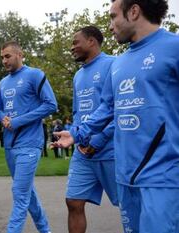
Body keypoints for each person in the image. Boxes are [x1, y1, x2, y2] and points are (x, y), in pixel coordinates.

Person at [52, 1, 179, 232]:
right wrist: (76, 134)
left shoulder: (174, 47)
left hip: (164, 177)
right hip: (125, 175)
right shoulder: (120, 63)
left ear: (134, 11)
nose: (110, 26)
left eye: (113, 17)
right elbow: (107, 108)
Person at [0, 41, 56, 233]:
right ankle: (45, 230)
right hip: (9, 145)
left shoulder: (35, 75)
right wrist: (3, 117)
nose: (4, 61)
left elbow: (50, 105)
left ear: (20, 54)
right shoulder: (3, 82)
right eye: (2, 57)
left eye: (7, 56)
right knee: (28, 193)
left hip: (30, 144)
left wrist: (18, 121)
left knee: (20, 193)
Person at [66, 26, 118, 233]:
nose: (72, 47)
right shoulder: (78, 76)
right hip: (82, 152)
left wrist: (98, 141)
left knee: (129, 204)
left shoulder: (113, 65)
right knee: (73, 202)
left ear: (91, 41)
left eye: (75, 42)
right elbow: (78, 112)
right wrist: (73, 135)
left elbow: (119, 110)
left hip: (110, 150)